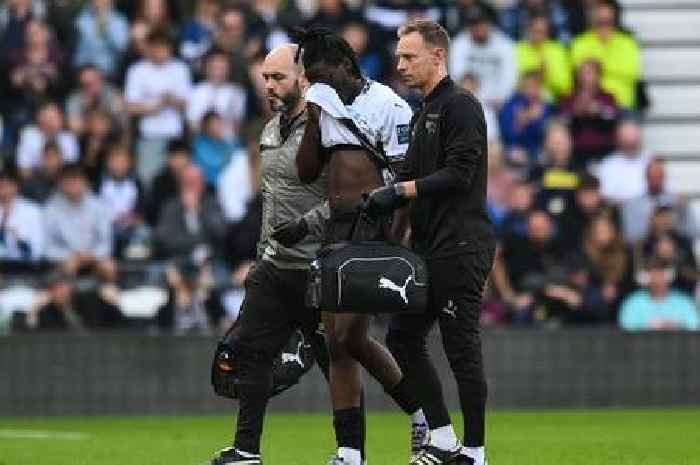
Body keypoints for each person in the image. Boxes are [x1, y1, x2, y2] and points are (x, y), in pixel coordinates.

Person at [364, 19, 496, 465]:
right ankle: (442, 438)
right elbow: (410, 177)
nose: (399, 64)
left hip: (461, 244)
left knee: (461, 348)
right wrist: (380, 203)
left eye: (409, 56)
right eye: (399, 56)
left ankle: (474, 453)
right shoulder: (423, 111)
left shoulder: (460, 105)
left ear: (437, 56)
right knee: (402, 338)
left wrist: (400, 192)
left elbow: (459, 174)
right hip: (427, 248)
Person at [294, 28, 423, 465]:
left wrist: (398, 239)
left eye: (321, 73)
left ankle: (422, 413)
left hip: (374, 228)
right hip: (337, 232)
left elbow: (406, 179)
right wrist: (313, 118)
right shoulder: (322, 105)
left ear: (346, 66)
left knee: (349, 336)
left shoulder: (388, 105)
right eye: (309, 75)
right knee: (338, 343)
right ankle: (351, 451)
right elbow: (308, 170)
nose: (316, 81)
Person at [209, 44, 332, 465]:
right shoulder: (268, 130)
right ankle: (247, 450)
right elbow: (271, 202)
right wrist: (261, 255)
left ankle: (356, 449)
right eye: (265, 78)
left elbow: (347, 198)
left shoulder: (327, 130)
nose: (269, 85)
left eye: (277, 77)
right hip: (274, 266)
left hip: (317, 269)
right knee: (251, 355)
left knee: (341, 364)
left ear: (303, 79)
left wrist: (307, 227)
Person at [125, 28, 191, 186]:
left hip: (174, 135)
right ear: (148, 47)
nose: (160, 51)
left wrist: (171, 100)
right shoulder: (137, 70)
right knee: (148, 181)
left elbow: (187, 102)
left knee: (179, 182)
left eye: (164, 47)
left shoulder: (180, 68)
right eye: (156, 47)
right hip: (149, 135)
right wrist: (158, 104)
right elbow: (131, 107)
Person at [43, 164, 116, 282]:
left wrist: (91, 255)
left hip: (93, 258)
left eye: (77, 181)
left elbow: (106, 242)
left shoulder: (99, 205)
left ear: (85, 182)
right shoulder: (50, 208)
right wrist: (70, 257)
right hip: (65, 260)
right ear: (61, 184)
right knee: (67, 268)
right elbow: (47, 247)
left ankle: (109, 297)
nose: (73, 186)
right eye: (69, 181)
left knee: (109, 267)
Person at [570, 1, 640, 109]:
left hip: (621, 104)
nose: (604, 26)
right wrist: (612, 68)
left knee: (628, 126)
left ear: (615, 21)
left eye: (608, 22)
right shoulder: (580, 42)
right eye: (600, 22)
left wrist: (596, 67)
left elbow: (631, 72)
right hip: (588, 104)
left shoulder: (627, 42)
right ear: (593, 20)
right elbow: (580, 74)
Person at [449, 6, 517, 112]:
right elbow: (457, 74)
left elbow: (509, 76)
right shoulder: (459, 43)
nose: (478, 28)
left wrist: (501, 98)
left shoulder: (504, 44)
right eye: (474, 24)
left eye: (482, 23)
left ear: (489, 24)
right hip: (469, 99)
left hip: (498, 101)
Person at [559, 60, 619, 166]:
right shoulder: (568, 98)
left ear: (598, 76)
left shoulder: (608, 97)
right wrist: (575, 112)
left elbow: (614, 118)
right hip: (576, 151)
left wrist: (599, 111)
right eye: (582, 74)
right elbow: (562, 121)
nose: (584, 78)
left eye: (589, 73)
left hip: (604, 150)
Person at [619, 257, 699, 331]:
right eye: (653, 274)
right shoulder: (633, 303)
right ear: (644, 278)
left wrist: (676, 326)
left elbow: (694, 326)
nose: (657, 279)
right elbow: (626, 329)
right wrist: (649, 327)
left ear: (669, 276)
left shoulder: (684, 302)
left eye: (660, 274)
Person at [514, 13, 572, 100]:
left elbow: (565, 87)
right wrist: (534, 76)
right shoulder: (517, 50)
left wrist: (548, 74)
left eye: (542, 32)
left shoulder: (557, 50)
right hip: (522, 100)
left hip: (552, 101)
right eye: (535, 31)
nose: (539, 36)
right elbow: (513, 84)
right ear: (528, 30)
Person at [597, 119, 651, 204]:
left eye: (634, 141)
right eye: (627, 142)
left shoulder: (650, 160)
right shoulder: (608, 164)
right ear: (619, 140)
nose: (631, 145)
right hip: (618, 210)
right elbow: (605, 194)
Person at [73, 0, 129, 79]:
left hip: (108, 73)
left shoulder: (119, 21)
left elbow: (121, 48)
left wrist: (107, 28)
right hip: (84, 72)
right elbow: (77, 53)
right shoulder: (81, 19)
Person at [0, 168, 43, 269]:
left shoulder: (32, 210)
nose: (3, 187)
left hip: (23, 268)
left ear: (16, 185)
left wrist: (20, 241)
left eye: (7, 183)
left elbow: (37, 252)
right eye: (1, 184)